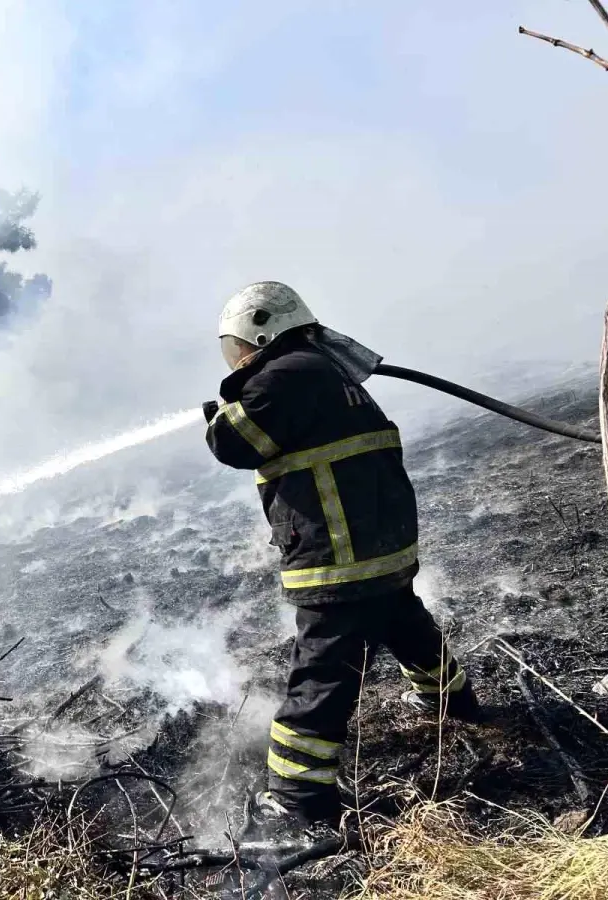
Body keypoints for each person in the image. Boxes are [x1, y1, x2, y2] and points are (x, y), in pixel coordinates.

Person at [203, 281, 483, 830]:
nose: (234, 358)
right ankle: (451, 701)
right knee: (406, 624)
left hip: (337, 556)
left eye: (234, 346)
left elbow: (235, 444)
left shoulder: (282, 376)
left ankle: (297, 801)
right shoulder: (328, 371)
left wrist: (217, 413)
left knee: (321, 675)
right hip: (381, 548)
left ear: (259, 334)